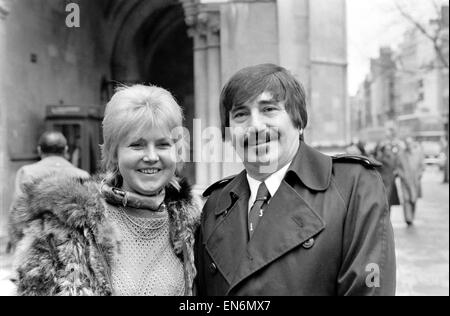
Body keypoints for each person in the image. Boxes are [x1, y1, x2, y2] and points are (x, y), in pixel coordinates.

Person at [195, 64, 396, 296]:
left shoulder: (355, 188)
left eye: (269, 109)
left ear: (298, 121)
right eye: (241, 114)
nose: (255, 126)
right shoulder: (215, 206)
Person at [10, 85, 201, 296]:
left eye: (163, 144)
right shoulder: (66, 229)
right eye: (137, 145)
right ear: (113, 153)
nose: (151, 156)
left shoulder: (195, 224)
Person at [7, 131, 90, 252]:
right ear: (66, 150)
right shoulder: (81, 175)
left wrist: (16, 245)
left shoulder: (26, 172)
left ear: (39, 150)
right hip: (72, 249)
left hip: (35, 247)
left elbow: (16, 214)